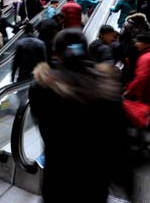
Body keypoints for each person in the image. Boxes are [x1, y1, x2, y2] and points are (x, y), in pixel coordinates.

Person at [29, 29, 132, 203]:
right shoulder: (106, 86)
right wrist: (126, 180)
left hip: (58, 174)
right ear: (86, 51)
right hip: (95, 178)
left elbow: (39, 120)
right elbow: (119, 137)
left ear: (56, 54)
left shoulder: (41, 87)